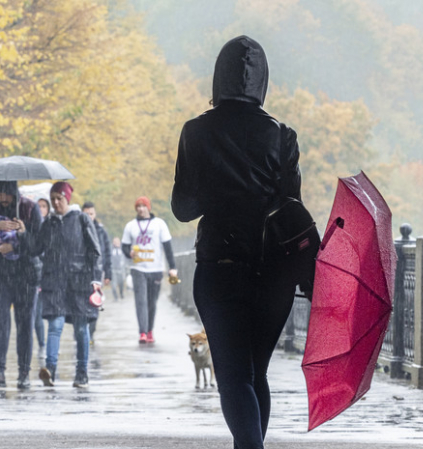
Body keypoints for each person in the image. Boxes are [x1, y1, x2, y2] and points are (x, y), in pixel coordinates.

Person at [170, 36, 301, 449]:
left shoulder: (195, 132)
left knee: (232, 376)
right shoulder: (282, 135)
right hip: (273, 272)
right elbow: (292, 206)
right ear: (262, 81)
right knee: (255, 372)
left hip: (220, 266)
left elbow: (183, 208)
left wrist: (215, 188)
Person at [32, 182, 102, 388]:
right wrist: (24, 230)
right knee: (55, 326)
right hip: (54, 281)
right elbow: (35, 248)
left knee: (81, 328)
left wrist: (95, 278)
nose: (55, 202)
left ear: (67, 199)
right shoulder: (48, 224)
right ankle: (50, 370)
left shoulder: (81, 219)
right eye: (52, 198)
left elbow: (95, 250)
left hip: (79, 282)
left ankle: (82, 372)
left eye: (59, 198)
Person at [0, 181, 42, 390]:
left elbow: (37, 246)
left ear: (14, 192)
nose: (3, 198)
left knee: (25, 324)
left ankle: (24, 372)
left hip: (25, 275)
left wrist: (19, 238)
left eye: (7, 193)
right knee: (0, 321)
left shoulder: (29, 208)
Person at [121, 196, 177, 344]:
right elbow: (125, 246)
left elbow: (168, 247)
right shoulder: (130, 226)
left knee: (152, 302)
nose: (141, 209)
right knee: (140, 301)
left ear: (149, 207)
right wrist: (129, 253)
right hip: (138, 268)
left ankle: (150, 330)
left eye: (143, 206)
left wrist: (172, 267)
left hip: (156, 269)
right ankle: (142, 332)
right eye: (138, 206)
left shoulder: (159, 224)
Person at [82, 201, 111, 343]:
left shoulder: (101, 230)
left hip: (98, 273)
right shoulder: (77, 229)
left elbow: (107, 252)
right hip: (80, 272)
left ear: (95, 214)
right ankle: (82, 332)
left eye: (91, 214)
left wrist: (108, 273)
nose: (89, 216)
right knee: (82, 303)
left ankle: (90, 333)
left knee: (95, 303)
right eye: (86, 214)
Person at [33, 196, 52, 364]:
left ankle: (50, 345)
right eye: (37, 206)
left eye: (44, 206)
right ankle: (42, 343)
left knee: (52, 313)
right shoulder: (31, 227)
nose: (40, 209)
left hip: (49, 276)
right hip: (34, 276)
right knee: (36, 313)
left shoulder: (52, 227)